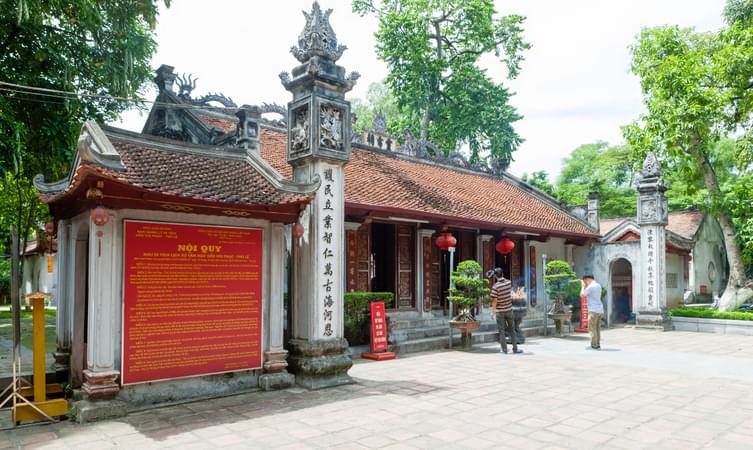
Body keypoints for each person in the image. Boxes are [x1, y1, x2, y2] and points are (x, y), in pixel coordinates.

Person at [489, 268, 521, 354]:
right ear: (503, 274)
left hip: (500, 311)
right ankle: (515, 349)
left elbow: (494, 301)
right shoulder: (509, 282)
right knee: (512, 330)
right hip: (509, 310)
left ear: (495, 276)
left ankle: (504, 350)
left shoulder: (495, 287)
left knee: (501, 331)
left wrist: (493, 312)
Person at [582, 274, 604, 349]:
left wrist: (582, 287)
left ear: (587, 279)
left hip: (593, 310)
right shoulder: (598, 285)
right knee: (597, 328)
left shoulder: (591, 286)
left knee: (592, 328)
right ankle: (597, 344)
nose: (585, 283)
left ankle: (594, 344)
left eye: (585, 281)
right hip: (600, 310)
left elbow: (582, 295)